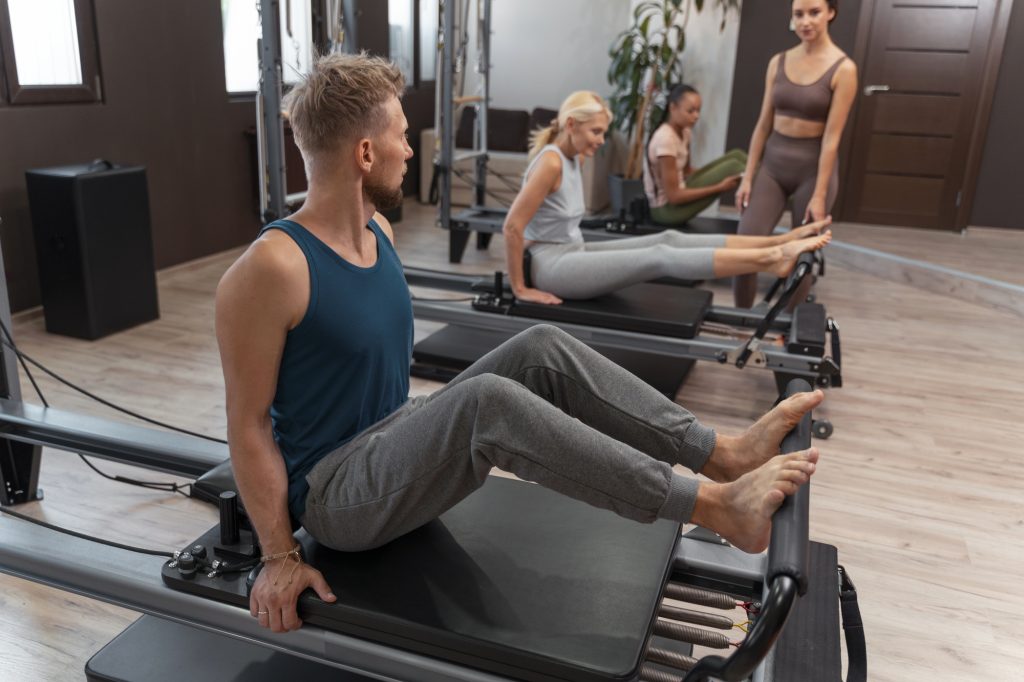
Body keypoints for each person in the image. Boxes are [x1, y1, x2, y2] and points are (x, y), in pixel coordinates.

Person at [215, 52, 823, 634]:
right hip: (337, 494)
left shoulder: (379, 230)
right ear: (366, 153)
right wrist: (279, 558)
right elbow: (248, 426)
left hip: (393, 440)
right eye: (402, 134)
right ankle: (713, 504)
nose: (409, 149)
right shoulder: (272, 268)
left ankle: (718, 452)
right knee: (486, 403)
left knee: (540, 345)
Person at [503, 91, 832, 306]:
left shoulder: (574, 156)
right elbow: (513, 227)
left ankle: (777, 243)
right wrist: (521, 288)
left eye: (603, 131)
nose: (602, 140)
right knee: (658, 255)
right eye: (596, 132)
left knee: (669, 237)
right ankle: (771, 260)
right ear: (571, 124)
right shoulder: (550, 162)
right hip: (552, 266)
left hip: (572, 250)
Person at [733, 0, 857, 308]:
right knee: (745, 245)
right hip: (773, 166)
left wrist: (819, 194)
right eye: (798, 14)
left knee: (802, 254)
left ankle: (785, 327)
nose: (806, 21)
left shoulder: (844, 69)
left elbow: (831, 139)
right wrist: (748, 177)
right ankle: (741, 320)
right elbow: (762, 125)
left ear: (831, 12)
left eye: (814, 12)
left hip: (813, 171)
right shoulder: (778, 62)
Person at [644, 84, 747, 226]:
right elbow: (673, 196)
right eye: (690, 111)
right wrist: (719, 187)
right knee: (734, 166)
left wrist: (716, 173)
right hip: (666, 210)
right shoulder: (665, 139)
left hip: (682, 190)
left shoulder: (685, 132)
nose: (696, 116)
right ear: (673, 108)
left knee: (737, 155)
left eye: (698, 110)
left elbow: (686, 171)